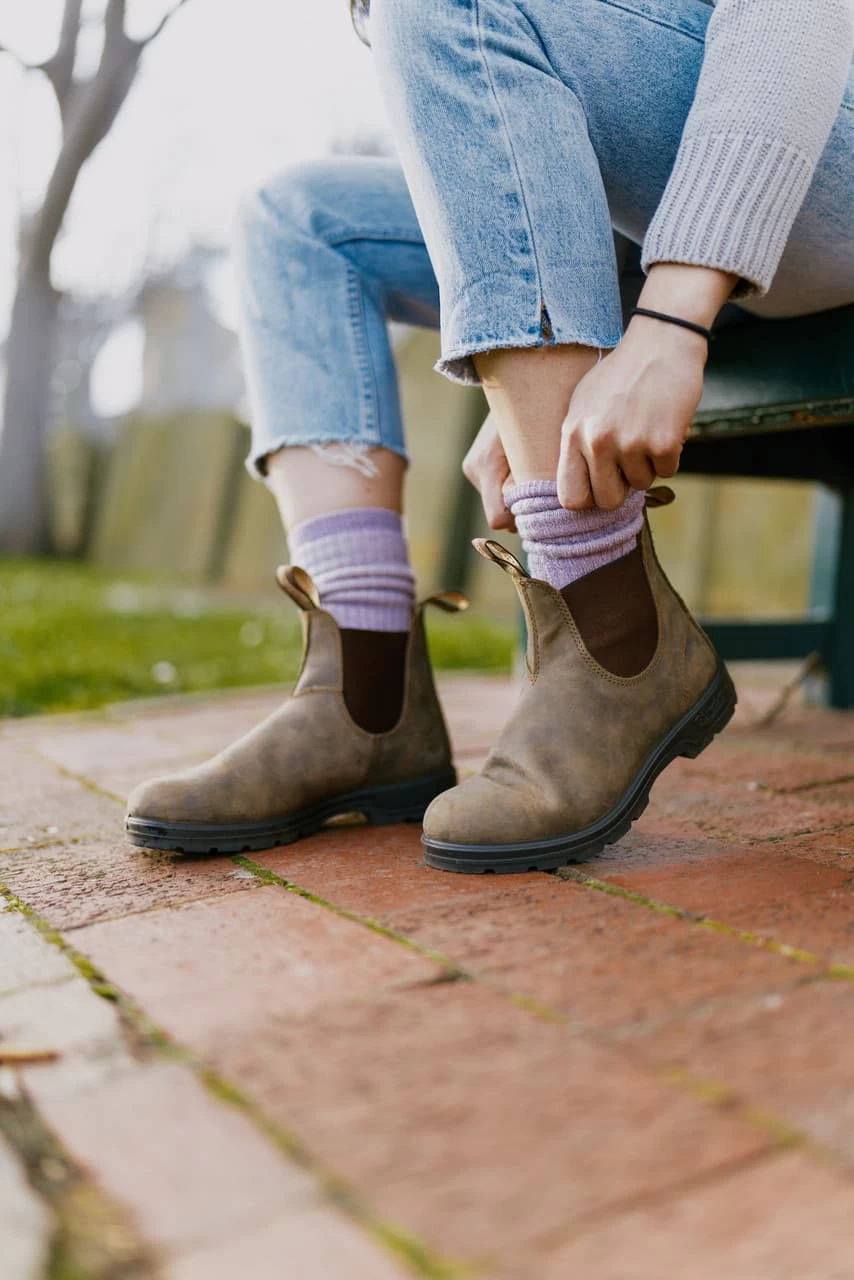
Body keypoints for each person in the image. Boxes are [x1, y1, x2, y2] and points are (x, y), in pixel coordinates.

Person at [125, 0, 854, 872]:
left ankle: (616, 634)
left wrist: (670, 320)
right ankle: (366, 702)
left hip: (808, 115)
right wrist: (528, 384)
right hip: (649, 198)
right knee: (294, 220)